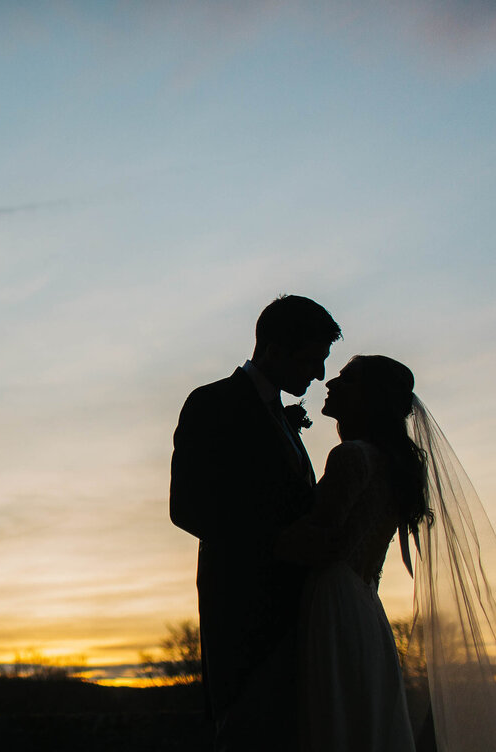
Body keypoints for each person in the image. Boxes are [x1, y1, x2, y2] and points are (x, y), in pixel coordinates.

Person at [281, 355, 496, 752]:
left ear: (370, 398)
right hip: (364, 606)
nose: (331, 382)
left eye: (347, 380)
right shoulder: (391, 463)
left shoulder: (352, 456)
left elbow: (321, 541)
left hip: (333, 604)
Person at [170, 295, 341, 751]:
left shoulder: (281, 418)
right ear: (275, 349)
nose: (320, 374)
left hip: (295, 623)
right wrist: (279, 543)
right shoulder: (213, 403)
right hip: (244, 625)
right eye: (314, 359)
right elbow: (187, 506)